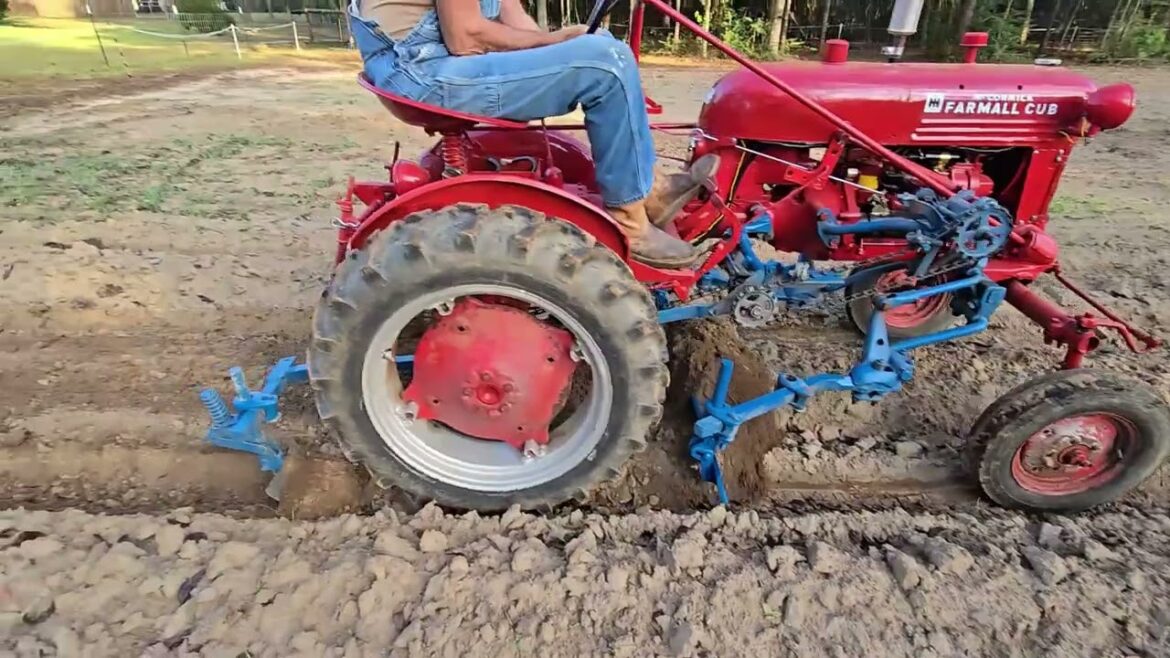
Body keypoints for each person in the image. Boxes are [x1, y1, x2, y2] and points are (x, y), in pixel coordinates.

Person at [347, 0, 717, 269]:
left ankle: (649, 189)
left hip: (428, 62)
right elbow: (465, 35)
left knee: (603, 48)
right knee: (606, 65)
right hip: (421, 71)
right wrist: (554, 42)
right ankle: (630, 222)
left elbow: (515, 19)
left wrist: (558, 41)